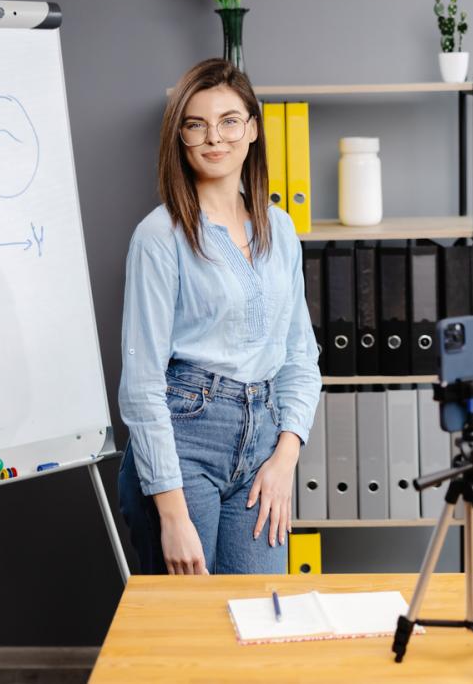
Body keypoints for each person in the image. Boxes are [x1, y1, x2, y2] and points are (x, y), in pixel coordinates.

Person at [117, 58, 321, 576]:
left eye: (230, 121)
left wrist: (284, 458)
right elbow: (141, 385)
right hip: (184, 442)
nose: (215, 138)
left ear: (252, 129)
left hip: (264, 441)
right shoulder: (159, 236)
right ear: (179, 138)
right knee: (185, 633)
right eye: (196, 124)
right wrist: (171, 513)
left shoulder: (280, 227)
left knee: (257, 621)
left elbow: (300, 355)